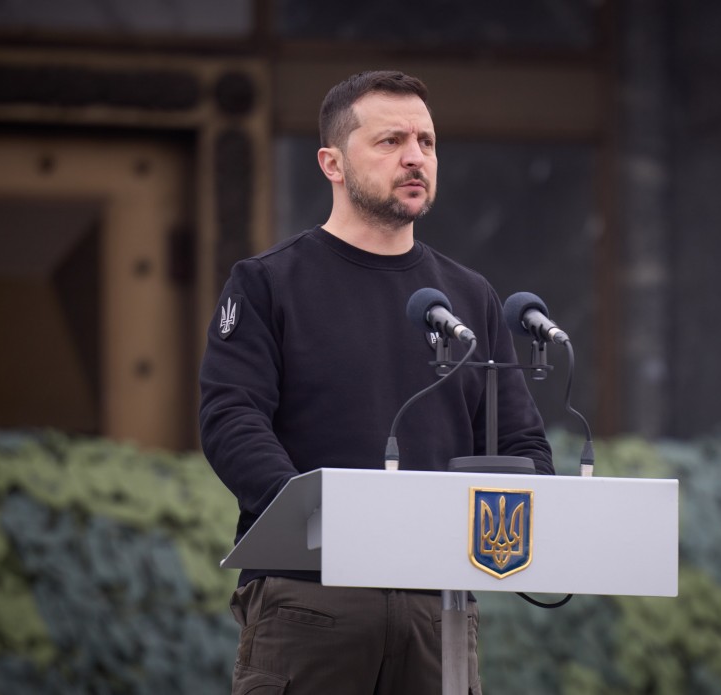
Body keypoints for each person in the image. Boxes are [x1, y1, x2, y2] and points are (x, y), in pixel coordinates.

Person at [199, 70, 553, 695]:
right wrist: (318, 517)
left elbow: (522, 444)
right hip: (310, 598)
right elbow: (231, 418)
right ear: (331, 163)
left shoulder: (470, 296)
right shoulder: (268, 284)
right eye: (391, 141)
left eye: (427, 142)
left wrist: (519, 511)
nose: (415, 157)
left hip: (439, 610)